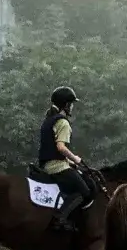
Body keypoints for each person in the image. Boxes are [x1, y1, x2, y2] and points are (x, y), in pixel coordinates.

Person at [38, 86, 93, 231]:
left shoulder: (48, 120)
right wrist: (76, 159)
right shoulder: (63, 122)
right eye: (71, 104)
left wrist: (70, 162)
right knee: (85, 191)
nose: (72, 107)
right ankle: (60, 219)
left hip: (47, 165)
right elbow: (61, 148)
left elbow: (52, 150)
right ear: (66, 104)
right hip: (57, 167)